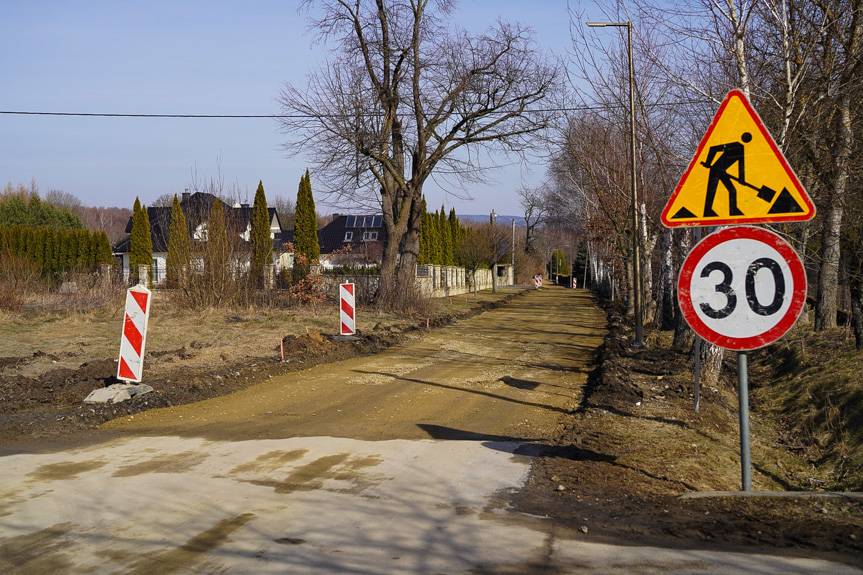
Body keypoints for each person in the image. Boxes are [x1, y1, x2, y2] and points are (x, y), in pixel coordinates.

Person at [701, 132, 751, 217]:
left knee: (732, 190)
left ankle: (733, 210)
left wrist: (741, 179)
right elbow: (713, 148)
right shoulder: (734, 145)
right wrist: (707, 162)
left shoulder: (741, 149)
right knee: (711, 191)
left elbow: (741, 166)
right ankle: (707, 211)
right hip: (715, 170)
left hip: (722, 171)